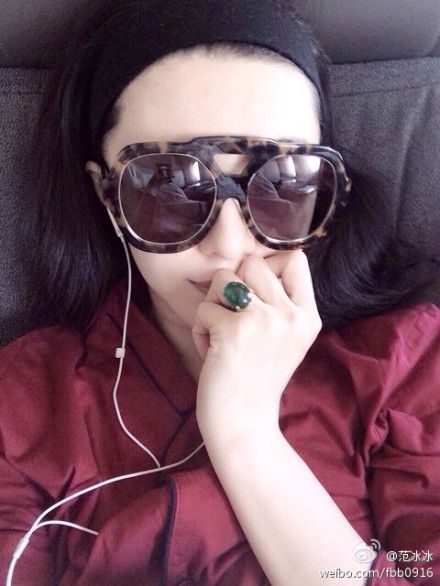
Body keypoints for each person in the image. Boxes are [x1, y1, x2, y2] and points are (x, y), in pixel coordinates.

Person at [1, 0, 439, 584]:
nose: (229, 245)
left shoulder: (409, 364)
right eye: (167, 184)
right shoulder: (28, 402)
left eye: (284, 182)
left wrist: (247, 436)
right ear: (107, 197)